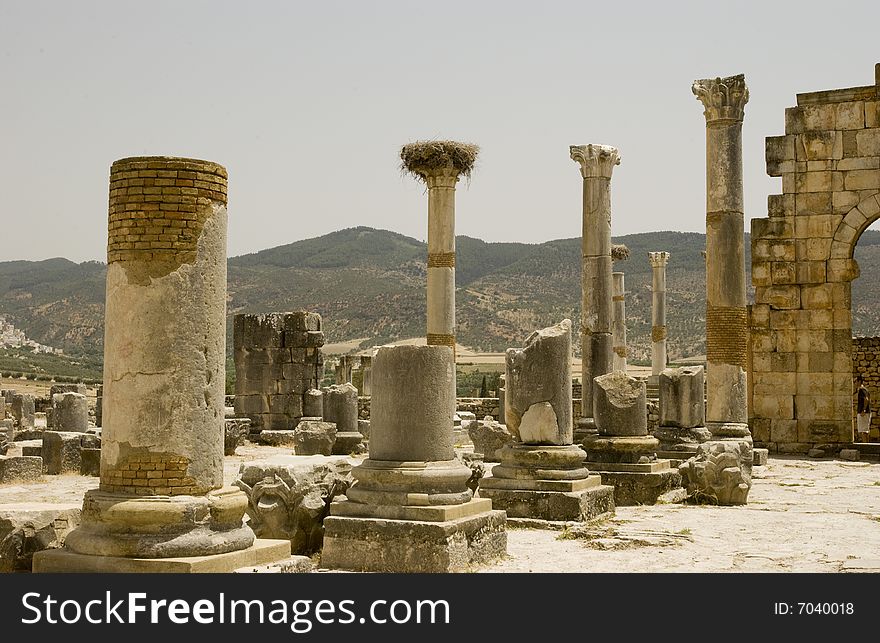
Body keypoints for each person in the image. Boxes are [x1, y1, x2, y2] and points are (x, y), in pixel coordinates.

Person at [856, 376, 871, 443]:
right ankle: (867, 445)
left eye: (856, 381)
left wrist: (864, 410)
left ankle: (865, 446)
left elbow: (866, 399)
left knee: (863, 431)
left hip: (863, 413)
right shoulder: (866, 390)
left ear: (859, 381)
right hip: (867, 412)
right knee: (865, 430)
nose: (855, 383)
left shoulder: (862, 390)